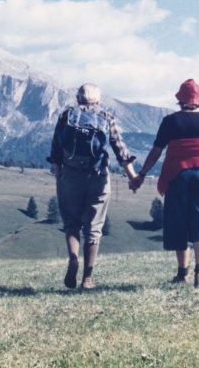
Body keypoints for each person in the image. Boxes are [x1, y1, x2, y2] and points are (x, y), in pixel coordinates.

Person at [130, 79, 199, 288]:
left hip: (178, 175)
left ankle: (182, 274)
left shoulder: (170, 121)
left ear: (179, 100)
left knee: (179, 223)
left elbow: (156, 151)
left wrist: (142, 174)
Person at [47, 83, 138, 289]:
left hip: (70, 176)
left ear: (78, 98)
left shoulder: (66, 115)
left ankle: (73, 259)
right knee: (94, 227)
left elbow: (55, 149)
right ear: (98, 99)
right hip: (97, 177)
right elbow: (120, 150)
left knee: (71, 223)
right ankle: (87, 278)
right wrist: (133, 177)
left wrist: (59, 174)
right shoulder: (106, 117)